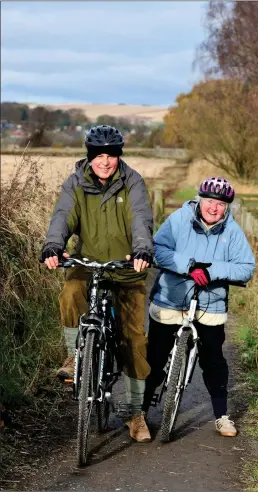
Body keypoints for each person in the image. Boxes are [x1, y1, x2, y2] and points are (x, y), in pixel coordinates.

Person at [40, 125, 154, 442]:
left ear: (119, 157)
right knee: (70, 292)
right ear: (90, 157)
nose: (105, 162)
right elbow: (63, 216)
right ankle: (76, 355)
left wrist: (143, 249)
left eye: (111, 155)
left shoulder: (132, 182)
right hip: (87, 262)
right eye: (99, 155)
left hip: (127, 267)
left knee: (134, 340)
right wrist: (53, 245)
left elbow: (141, 218)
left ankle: (134, 413)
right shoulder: (76, 183)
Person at [142, 177, 256, 437]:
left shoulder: (232, 231)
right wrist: (189, 266)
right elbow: (158, 247)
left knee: (213, 359)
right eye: (210, 202)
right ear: (200, 200)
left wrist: (212, 270)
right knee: (155, 356)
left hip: (210, 302)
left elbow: (247, 267)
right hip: (172, 296)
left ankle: (221, 415)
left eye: (220, 204)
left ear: (227, 207)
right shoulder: (179, 219)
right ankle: (141, 412)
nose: (214, 208)